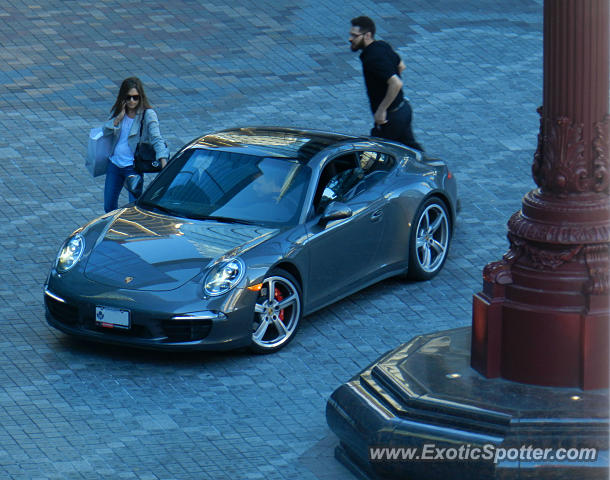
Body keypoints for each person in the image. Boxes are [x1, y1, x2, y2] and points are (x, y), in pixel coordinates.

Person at [349, 16, 424, 151]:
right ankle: (430, 168)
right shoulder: (382, 45)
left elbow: (396, 83)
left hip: (391, 119)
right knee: (412, 150)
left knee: (375, 153)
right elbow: (401, 65)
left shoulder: (372, 58)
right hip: (403, 110)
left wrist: (381, 110)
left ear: (367, 35)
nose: (350, 39)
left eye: (354, 36)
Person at [102, 77, 169, 212]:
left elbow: (157, 139)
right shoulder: (118, 112)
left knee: (134, 210)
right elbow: (105, 133)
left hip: (132, 168)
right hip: (114, 165)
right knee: (109, 208)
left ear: (141, 97)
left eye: (135, 97)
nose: (132, 101)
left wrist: (164, 164)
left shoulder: (147, 114)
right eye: (128, 97)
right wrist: (118, 119)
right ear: (123, 97)